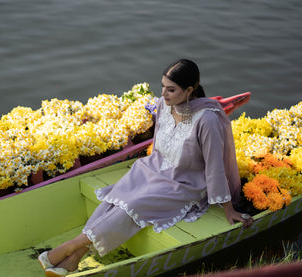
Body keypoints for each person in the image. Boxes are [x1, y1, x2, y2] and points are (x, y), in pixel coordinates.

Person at [38, 59, 254, 277]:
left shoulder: (207, 120)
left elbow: (215, 167)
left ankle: (63, 250)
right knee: (116, 198)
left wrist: (228, 208)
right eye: (163, 87)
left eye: (171, 89)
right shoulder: (164, 106)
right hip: (153, 168)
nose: (164, 94)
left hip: (184, 184)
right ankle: (73, 259)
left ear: (189, 90)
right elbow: (160, 147)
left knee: (134, 205)